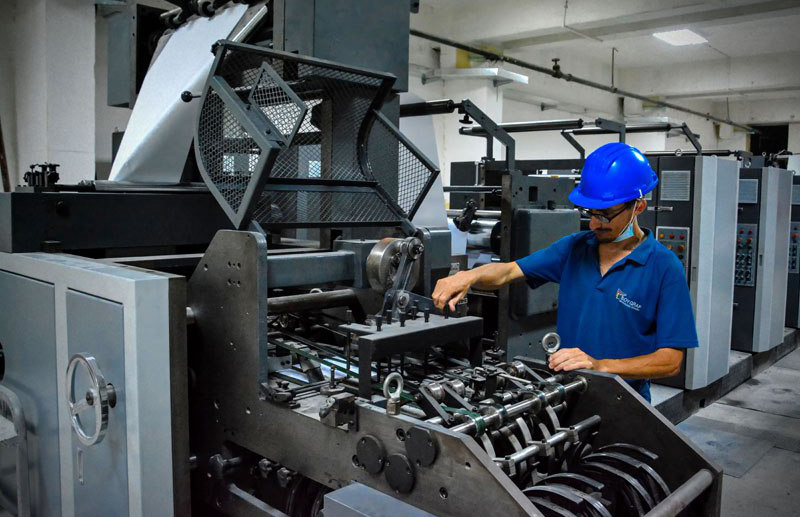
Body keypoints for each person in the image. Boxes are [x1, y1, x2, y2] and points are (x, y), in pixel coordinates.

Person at [432, 142, 699, 402]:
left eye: (605, 215)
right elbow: (507, 272)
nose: (594, 223)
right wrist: (469, 276)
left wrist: (601, 366)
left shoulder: (663, 267)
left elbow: (671, 361)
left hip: (625, 402)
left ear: (637, 207)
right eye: (589, 212)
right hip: (567, 392)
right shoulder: (575, 249)